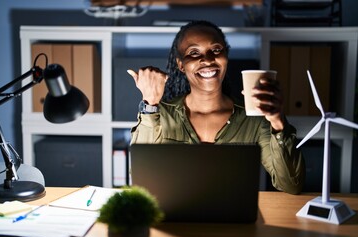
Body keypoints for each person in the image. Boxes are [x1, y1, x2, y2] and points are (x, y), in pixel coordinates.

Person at [127, 20, 305, 195]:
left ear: (226, 57)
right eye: (194, 52)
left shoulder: (254, 118)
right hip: (177, 220)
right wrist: (150, 103)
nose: (208, 59)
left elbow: (291, 184)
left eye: (216, 49)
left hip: (235, 220)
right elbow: (138, 178)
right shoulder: (160, 113)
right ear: (181, 65)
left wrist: (278, 122)